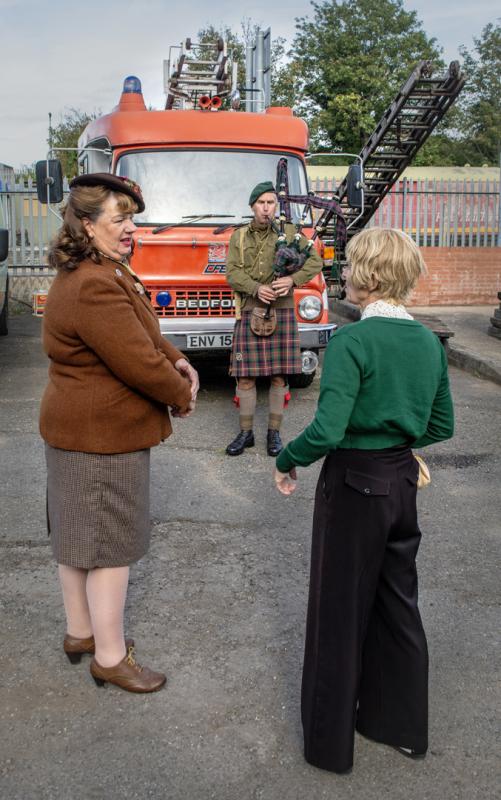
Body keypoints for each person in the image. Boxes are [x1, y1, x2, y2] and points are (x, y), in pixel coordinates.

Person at [273, 228, 454, 773]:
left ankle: (329, 746)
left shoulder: (352, 341)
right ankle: (402, 727)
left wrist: (287, 458)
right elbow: (441, 425)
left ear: (370, 277)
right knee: (398, 605)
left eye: (350, 266)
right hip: (402, 483)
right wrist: (398, 442)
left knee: (339, 610)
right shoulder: (428, 342)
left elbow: (328, 430)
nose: (344, 273)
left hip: (354, 484)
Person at [40, 173, 199, 693]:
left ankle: (81, 632)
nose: (131, 228)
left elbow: (141, 333)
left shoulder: (98, 271)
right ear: (87, 225)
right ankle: (109, 657)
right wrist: (180, 393)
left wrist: (177, 358)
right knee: (109, 544)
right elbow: (136, 360)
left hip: (79, 430)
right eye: (120, 219)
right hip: (102, 436)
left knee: (77, 535)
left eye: (132, 218)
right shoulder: (94, 282)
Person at [224, 181, 323, 457]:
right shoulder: (238, 237)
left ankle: (274, 433)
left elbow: (315, 262)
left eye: (270, 203)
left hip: (282, 311)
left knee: (279, 377)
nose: (266, 208)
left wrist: (293, 280)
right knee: (245, 377)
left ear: (275, 206)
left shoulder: (289, 233)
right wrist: (256, 288)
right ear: (252, 206)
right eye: (261, 203)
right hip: (250, 310)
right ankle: (246, 433)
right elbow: (232, 274)